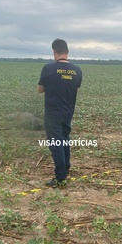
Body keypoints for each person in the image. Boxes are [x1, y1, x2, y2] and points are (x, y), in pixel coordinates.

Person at [37, 38, 82, 187]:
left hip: (53, 113)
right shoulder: (77, 70)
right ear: (67, 52)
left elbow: (40, 90)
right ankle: (66, 166)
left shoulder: (48, 68)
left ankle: (60, 177)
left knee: (56, 143)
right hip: (68, 111)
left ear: (54, 52)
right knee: (65, 139)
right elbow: (75, 89)